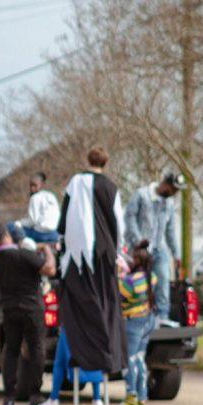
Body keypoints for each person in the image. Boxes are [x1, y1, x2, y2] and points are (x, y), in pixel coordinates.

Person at [57, 147, 127, 391]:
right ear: (106, 164)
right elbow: (118, 222)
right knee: (106, 306)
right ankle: (108, 354)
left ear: (88, 160)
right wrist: (118, 254)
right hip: (104, 255)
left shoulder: (75, 182)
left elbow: (63, 220)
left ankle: (83, 351)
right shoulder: (111, 187)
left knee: (79, 306)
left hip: (77, 259)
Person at [0, 224, 56, 405]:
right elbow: (50, 270)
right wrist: (47, 250)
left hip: (9, 309)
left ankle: (9, 396)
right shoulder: (24, 255)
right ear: (6, 235)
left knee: (11, 349)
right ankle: (34, 394)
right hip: (31, 308)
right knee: (36, 349)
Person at [124, 171, 185, 323]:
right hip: (138, 249)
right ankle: (137, 315)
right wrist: (139, 241)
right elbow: (129, 218)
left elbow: (170, 230)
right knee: (139, 282)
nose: (174, 193)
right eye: (173, 189)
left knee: (163, 277)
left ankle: (162, 316)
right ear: (165, 183)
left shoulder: (169, 204)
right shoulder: (141, 195)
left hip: (158, 248)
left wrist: (176, 254)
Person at [118, 240, 157, 405]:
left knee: (129, 360)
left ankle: (130, 395)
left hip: (133, 322)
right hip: (148, 320)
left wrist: (119, 273)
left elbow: (118, 295)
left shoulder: (130, 281)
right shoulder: (152, 278)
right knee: (140, 358)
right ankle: (142, 395)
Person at [36, 326, 103, 405]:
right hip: (92, 325)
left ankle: (53, 399)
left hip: (72, 324)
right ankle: (97, 399)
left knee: (59, 362)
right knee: (93, 358)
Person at [18, 172, 61, 244]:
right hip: (54, 234)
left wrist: (19, 222)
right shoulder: (51, 196)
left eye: (35, 185)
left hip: (41, 235)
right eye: (31, 185)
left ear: (42, 185)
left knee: (13, 228)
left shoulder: (35, 197)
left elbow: (32, 221)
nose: (32, 188)